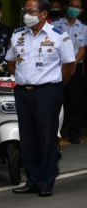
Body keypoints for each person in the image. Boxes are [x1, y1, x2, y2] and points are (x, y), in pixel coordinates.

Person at [6, 0, 75, 197]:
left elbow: (70, 68)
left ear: (43, 14)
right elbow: (11, 63)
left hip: (48, 92)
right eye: (24, 11)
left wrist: (52, 86)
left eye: (30, 11)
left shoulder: (59, 36)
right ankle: (32, 180)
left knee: (46, 137)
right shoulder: (18, 35)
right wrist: (22, 79)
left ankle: (46, 182)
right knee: (27, 138)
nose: (26, 14)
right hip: (22, 91)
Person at [52, 0, 86, 144]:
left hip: (75, 68)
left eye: (77, 7)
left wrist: (72, 64)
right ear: (66, 7)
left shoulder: (84, 27)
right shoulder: (55, 24)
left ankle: (74, 133)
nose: (74, 9)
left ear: (82, 10)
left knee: (75, 101)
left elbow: (83, 50)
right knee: (56, 100)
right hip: (57, 67)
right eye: (72, 6)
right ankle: (55, 132)